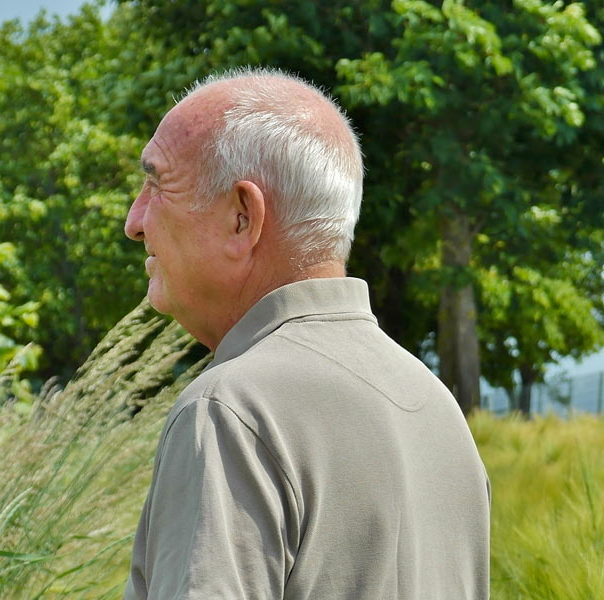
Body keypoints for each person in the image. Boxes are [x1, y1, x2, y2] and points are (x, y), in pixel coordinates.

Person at [121, 67, 490, 599]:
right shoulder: (436, 407)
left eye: (157, 183)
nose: (134, 221)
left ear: (242, 218)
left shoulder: (229, 411)